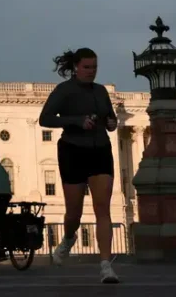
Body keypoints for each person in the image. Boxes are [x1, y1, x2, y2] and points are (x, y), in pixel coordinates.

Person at [39, 47, 120, 284]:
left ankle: (106, 265)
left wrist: (111, 123)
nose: (91, 71)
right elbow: (45, 118)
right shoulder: (64, 90)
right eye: (86, 67)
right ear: (76, 67)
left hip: (100, 150)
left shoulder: (101, 91)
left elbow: (110, 119)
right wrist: (77, 121)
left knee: (102, 209)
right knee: (74, 213)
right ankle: (68, 237)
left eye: (94, 67)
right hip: (72, 150)